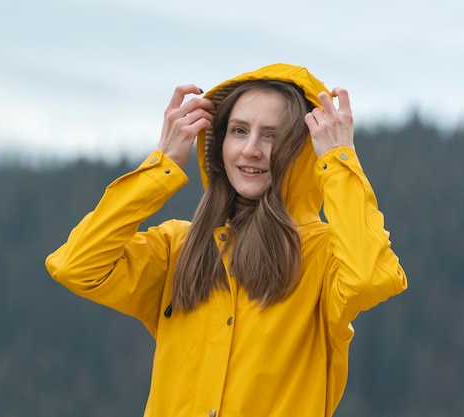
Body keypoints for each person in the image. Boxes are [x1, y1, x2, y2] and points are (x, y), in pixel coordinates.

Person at [45, 63, 407, 417]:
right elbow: (77, 266)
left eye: (273, 135)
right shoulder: (177, 248)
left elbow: (370, 278)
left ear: (302, 149)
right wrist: (162, 165)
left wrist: (337, 160)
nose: (252, 149)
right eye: (238, 131)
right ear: (219, 142)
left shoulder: (325, 256)